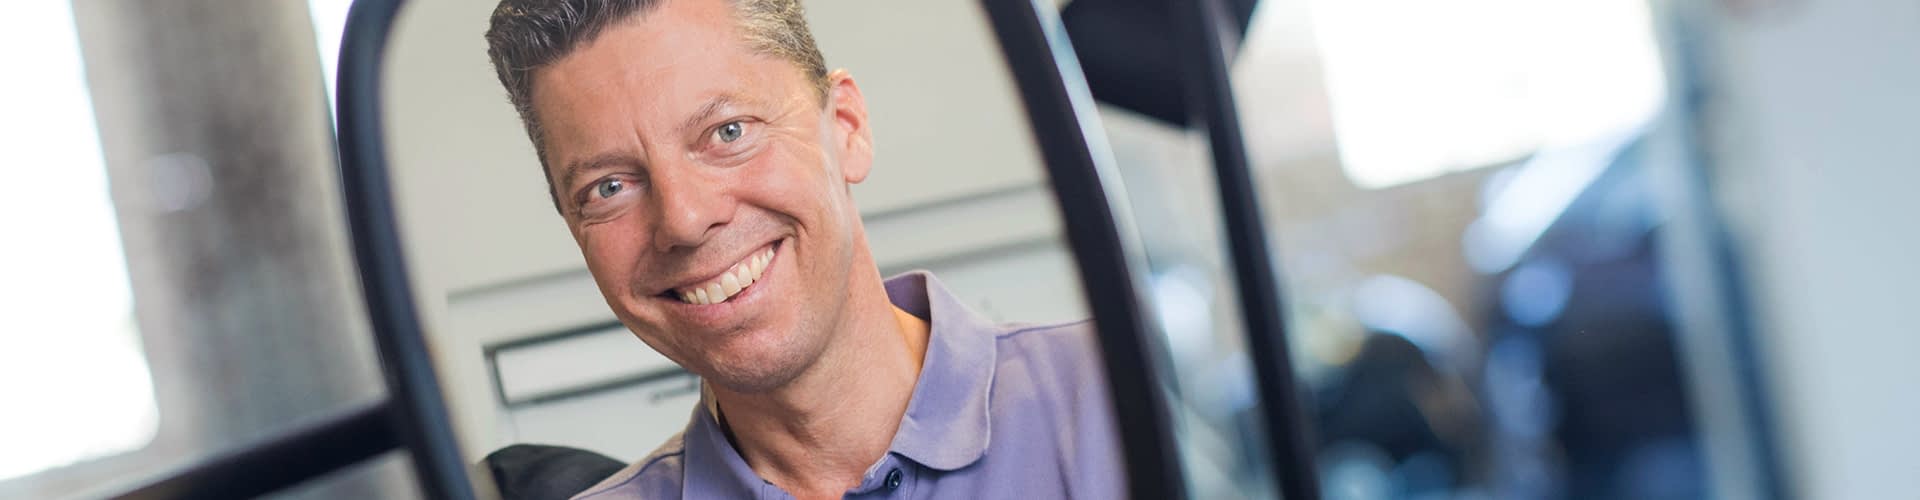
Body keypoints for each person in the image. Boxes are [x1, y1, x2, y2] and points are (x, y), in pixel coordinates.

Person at [483, 0, 1124, 498]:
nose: (684, 219)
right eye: (609, 187)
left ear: (846, 128)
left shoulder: (1122, 398)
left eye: (728, 131)